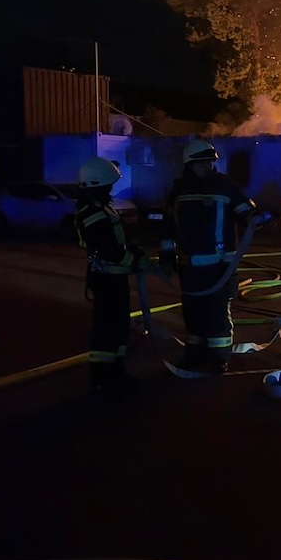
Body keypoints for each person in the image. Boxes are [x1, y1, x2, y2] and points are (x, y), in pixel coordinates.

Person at [159, 139, 255, 374]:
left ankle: (219, 358)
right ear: (188, 165)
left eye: (210, 162)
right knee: (192, 313)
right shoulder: (179, 190)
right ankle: (194, 353)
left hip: (219, 267)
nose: (207, 166)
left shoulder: (226, 186)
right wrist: (166, 256)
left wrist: (260, 218)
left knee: (217, 313)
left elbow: (247, 213)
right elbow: (168, 227)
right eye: (201, 163)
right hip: (188, 267)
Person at [75, 156, 151, 392]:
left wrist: (134, 251)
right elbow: (109, 249)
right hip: (108, 279)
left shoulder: (99, 208)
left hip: (111, 278)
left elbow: (117, 241)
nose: (112, 188)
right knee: (108, 329)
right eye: (109, 184)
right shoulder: (94, 212)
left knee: (117, 327)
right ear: (100, 184)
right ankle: (104, 379)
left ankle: (115, 373)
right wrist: (135, 261)